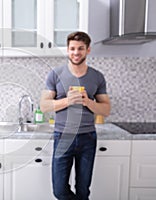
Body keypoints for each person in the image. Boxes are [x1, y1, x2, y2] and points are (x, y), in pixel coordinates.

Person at [40, 31, 111, 200]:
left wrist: (88, 102)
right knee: (59, 190)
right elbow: (44, 106)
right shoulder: (55, 74)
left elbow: (106, 110)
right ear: (67, 49)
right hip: (63, 136)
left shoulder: (97, 77)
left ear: (88, 50)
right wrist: (67, 101)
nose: (76, 52)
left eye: (80, 48)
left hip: (87, 137)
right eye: (72, 48)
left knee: (83, 190)